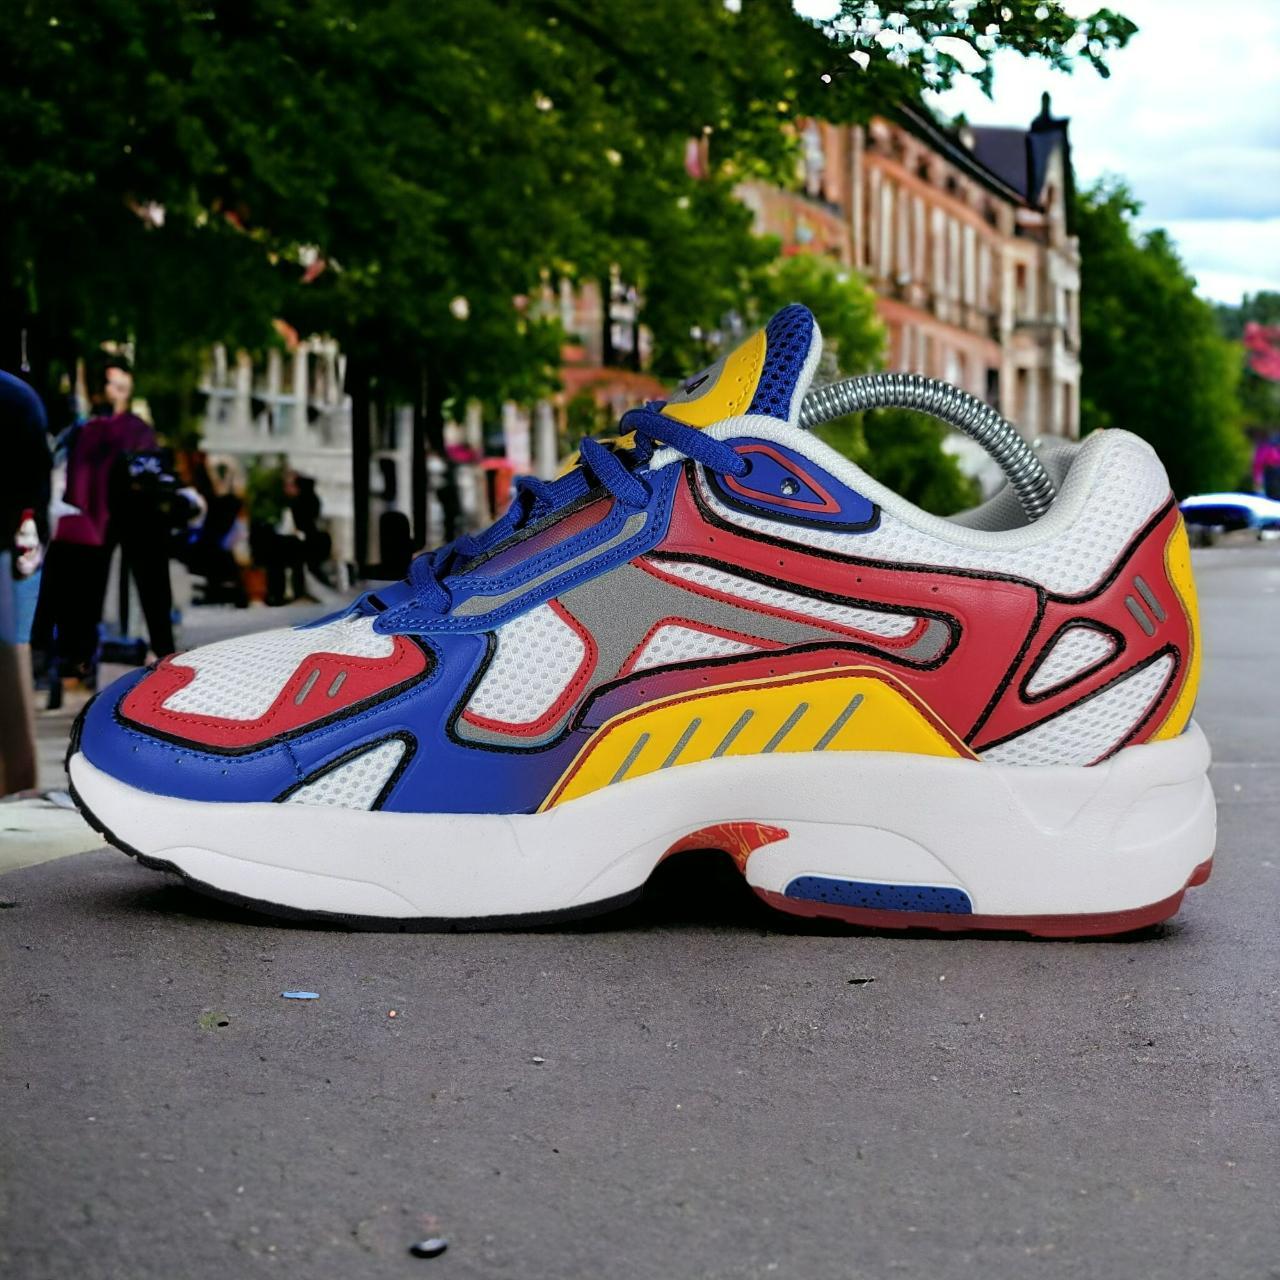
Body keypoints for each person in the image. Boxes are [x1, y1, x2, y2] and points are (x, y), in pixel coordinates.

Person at [39, 360, 173, 705]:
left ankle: (160, 648)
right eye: (114, 383)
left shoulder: (130, 427)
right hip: (99, 515)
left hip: (130, 513)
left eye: (123, 383)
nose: (119, 390)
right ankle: (80, 657)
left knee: (148, 583)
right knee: (88, 588)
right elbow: (77, 476)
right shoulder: (90, 429)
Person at [0, 369, 52, 795]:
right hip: (8, 548)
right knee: (10, 664)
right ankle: (16, 787)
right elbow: (36, 491)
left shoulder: (15, 399)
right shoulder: (18, 398)